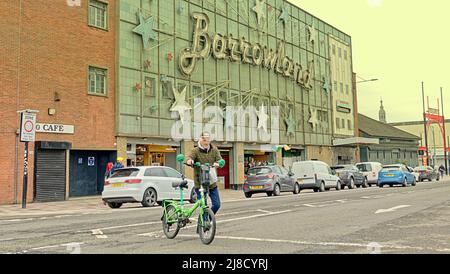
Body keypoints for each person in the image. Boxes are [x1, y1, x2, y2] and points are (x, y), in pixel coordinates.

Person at [186, 132, 222, 215]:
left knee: (217, 204)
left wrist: (219, 163)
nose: (206, 141)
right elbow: (189, 158)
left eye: (207, 139)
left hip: (212, 182)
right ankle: (204, 223)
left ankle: (209, 218)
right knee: (203, 205)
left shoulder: (214, 149)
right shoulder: (195, 150)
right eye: (204, 139)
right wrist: (189, 161)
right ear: (200, 139)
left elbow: (220, 160)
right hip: (200, 183)